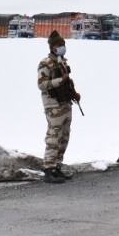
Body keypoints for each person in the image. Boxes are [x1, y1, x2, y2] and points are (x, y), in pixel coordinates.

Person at [37, 30, 80, 183]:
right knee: (53, 136)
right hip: (53, 105)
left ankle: (57, 166)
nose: (62, 47)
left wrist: (74, 93)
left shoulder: (63, 62)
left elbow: (68, 81)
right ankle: (49, 168)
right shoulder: (45, 64)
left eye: (63, 44)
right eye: (59, 45)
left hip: (65, 104)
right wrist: (59, 81)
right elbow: (41, 84)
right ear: (52, 47)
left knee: (64, 136)